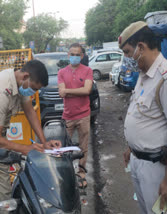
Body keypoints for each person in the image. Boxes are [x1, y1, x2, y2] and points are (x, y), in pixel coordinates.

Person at [0, 59, 61, 214]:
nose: (33, 93)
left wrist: (44, 142)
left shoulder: (19, 83)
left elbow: (29, 111)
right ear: (25, 77)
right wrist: (26, 149)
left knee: (5, 192)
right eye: (34, 89)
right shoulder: (1, 90)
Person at [120, 21, 167, 214]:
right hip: (138, 160)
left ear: (141, 47)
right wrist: (131, 147)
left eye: (127, 52)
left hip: (156, 167)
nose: (126, 58)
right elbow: (145, 117)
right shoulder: (143, 74)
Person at [57, 43, 93, 189]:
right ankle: (66, 173)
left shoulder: (88, 70)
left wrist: (69, 91)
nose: (75, 57)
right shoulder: (61, 72)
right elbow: (61, 93)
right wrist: (79, 90)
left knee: (83, 147)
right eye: (72, 54)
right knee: (65, 147)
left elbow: (87, 90)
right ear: (68, 55)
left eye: (78, 54)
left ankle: (81, 174)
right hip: (68, 116)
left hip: (84, 115)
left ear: (82, 56)